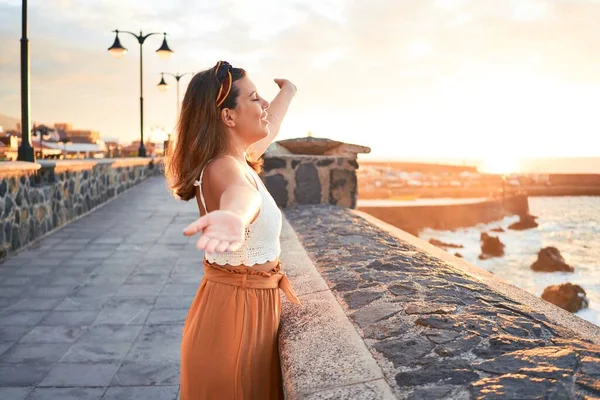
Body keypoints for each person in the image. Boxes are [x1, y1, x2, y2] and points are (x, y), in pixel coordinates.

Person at [165, 61, 300, 400]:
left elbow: (272, 125)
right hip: (237, 320)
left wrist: (289, 92)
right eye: (255, 99)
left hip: (241, 310)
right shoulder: (225, 167)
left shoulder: (238, 156)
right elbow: (241, 195)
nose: (264, 105)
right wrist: (236, 218)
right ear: (228, 117)